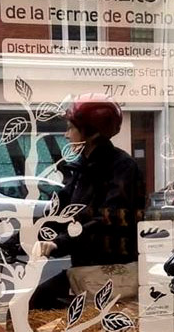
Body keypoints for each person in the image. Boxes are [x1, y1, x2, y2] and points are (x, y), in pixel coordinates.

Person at [31, 96, 144, 308]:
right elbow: (60, 209)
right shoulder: (82, 168)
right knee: (35, 303)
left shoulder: (122, 167)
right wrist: (30, 233)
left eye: (71, 128)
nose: (66, 135)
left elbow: (106, 220)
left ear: (92, 133)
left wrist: (58, 243)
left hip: (107, 272)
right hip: (84, 269)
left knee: (37, 303)